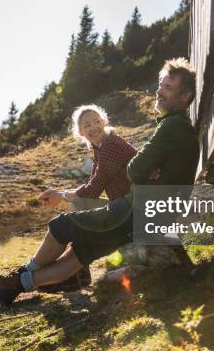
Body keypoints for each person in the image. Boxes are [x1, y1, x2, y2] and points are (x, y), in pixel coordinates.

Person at [0, 57, 200, 307]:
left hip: (137, 211)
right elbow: (137, 168)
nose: (159, 90)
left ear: (185, 96)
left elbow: (134, 169)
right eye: (161, 84)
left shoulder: (172, 127)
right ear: (81, 132)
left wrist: (143, 167)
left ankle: (18, 277)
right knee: (79, 252)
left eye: (168, 87)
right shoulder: (174, 127)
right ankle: (14, 287)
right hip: (145, 212)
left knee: (60, 226)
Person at [35, 104, 137, 292]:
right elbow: (91, 185)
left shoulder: (111, 146)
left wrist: (61, 195)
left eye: (97, 122)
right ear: (80, 132)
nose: (94, 127)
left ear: (104, 122)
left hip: (133, 210)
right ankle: (76, 274)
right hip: (124, 207)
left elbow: (92, 191)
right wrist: (60, 193)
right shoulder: (100, 147)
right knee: (78, 203)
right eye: (87, 125)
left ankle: (76, 274)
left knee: (78, 203)